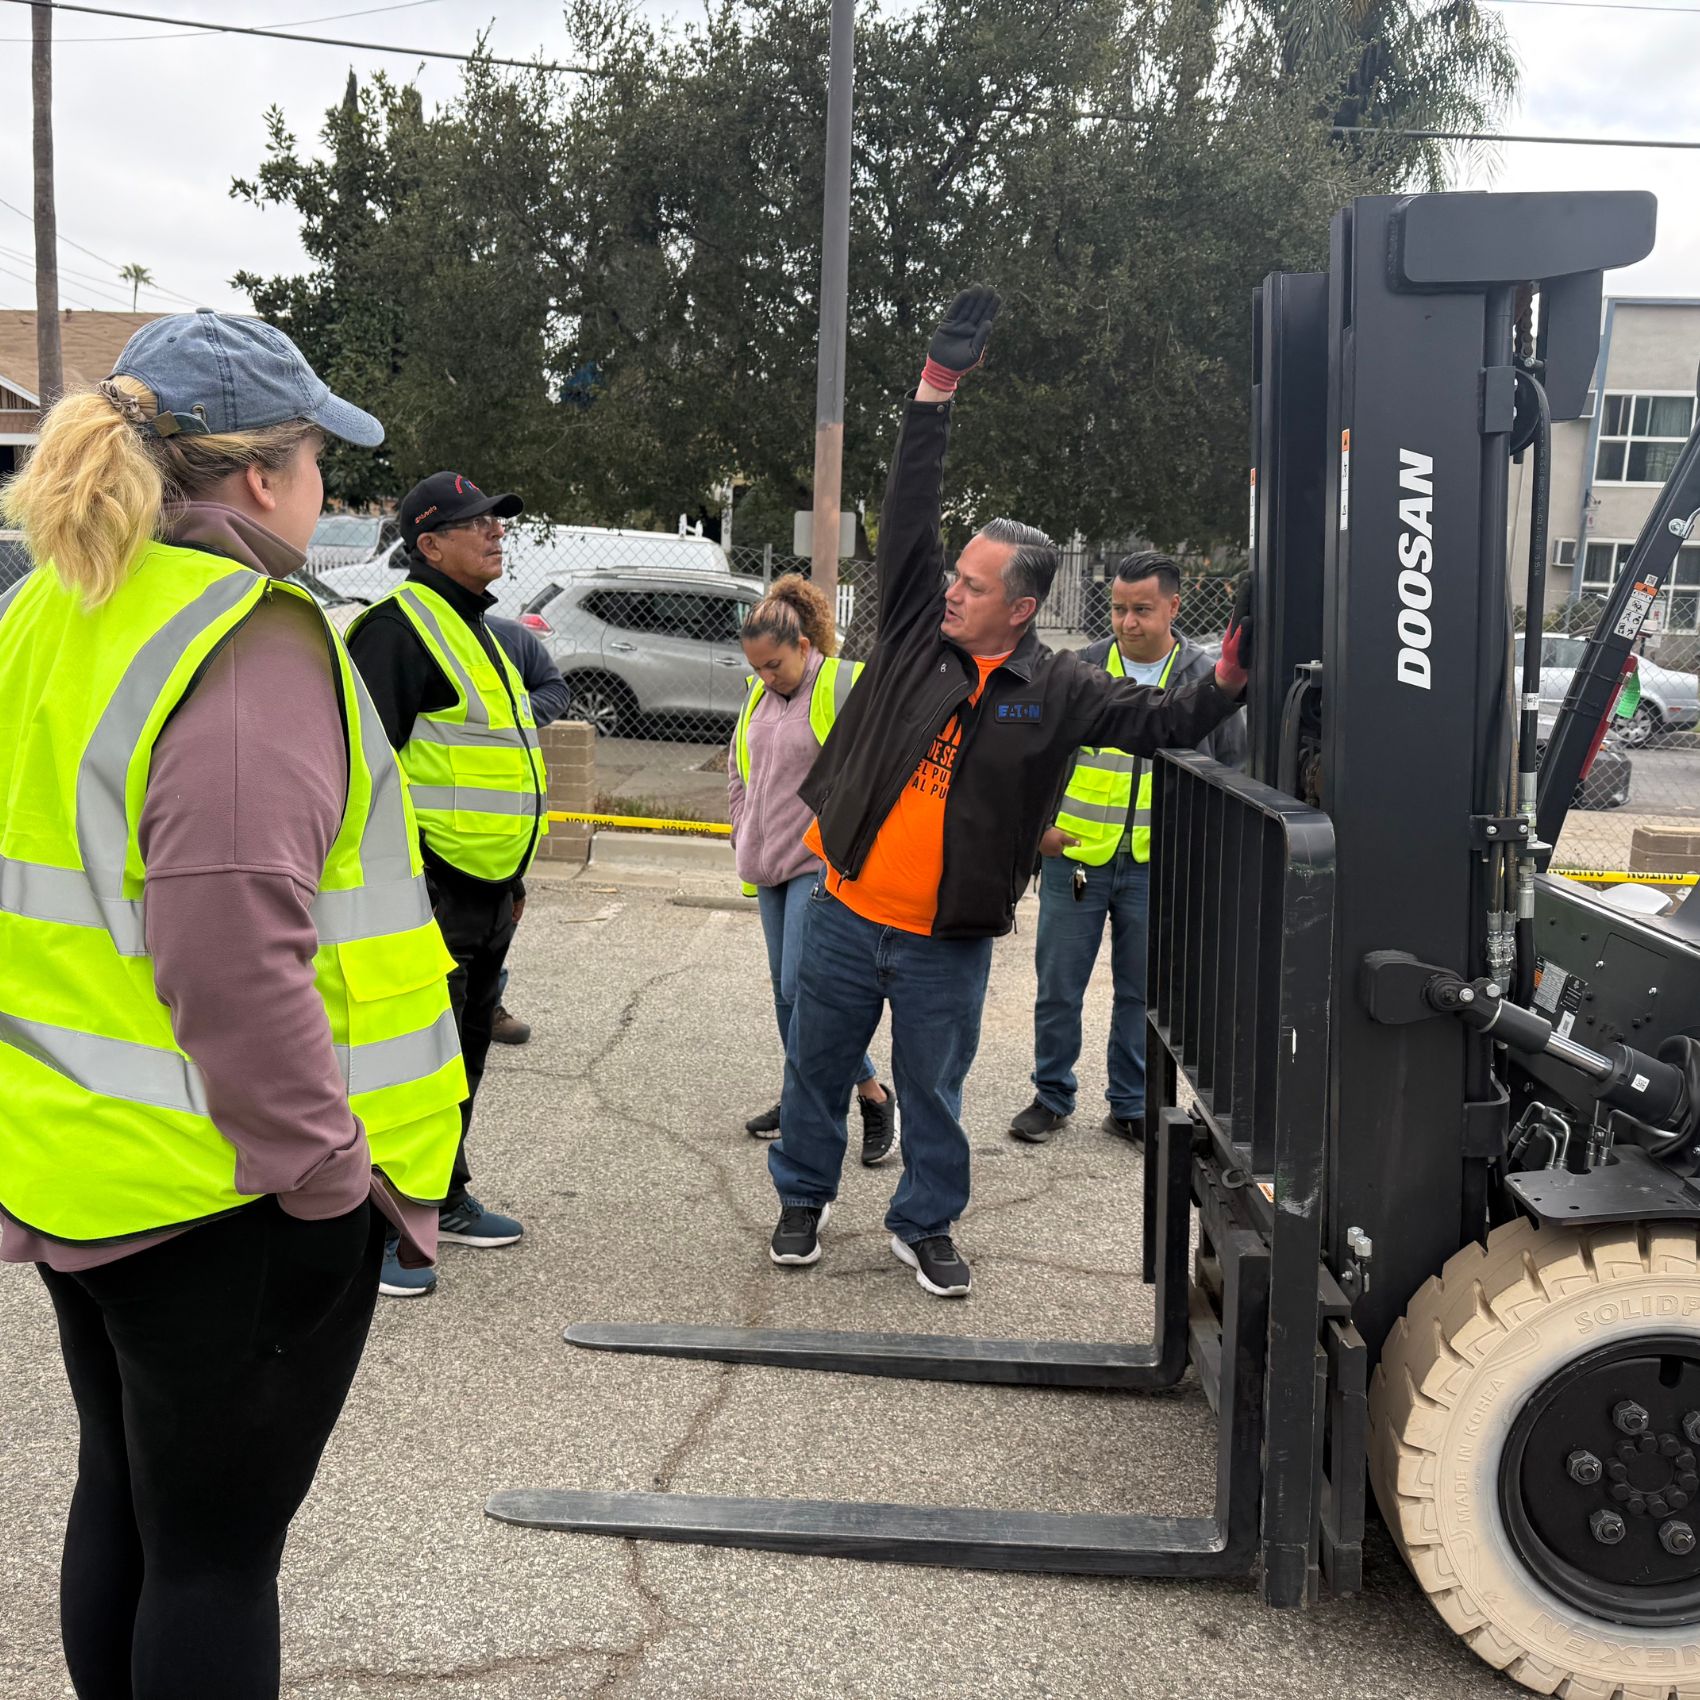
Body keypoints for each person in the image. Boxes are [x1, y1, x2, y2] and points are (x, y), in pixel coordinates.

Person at [0, 311, 465, 1699]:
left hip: (84, 1159)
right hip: (232, 1191)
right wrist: (325, 1175)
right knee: (212, 1558)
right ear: (263, 477)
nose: (330, 486)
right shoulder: (249, 642)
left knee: (133, 1506)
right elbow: (231, 951)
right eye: (321, 455)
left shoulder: (48, 607)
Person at [766, 287, 1251, 1298]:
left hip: (946, 938)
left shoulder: (1060, 685)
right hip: (847, 911)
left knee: (936, 1093)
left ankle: (923, 1221)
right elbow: (906, 512)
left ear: (1020, 605)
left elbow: (1167, 721)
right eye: (956, 576)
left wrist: (1238, 667)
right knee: (814, 1069)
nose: (953, 589)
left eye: (975, 584)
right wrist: (933, 392)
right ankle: (801, 1198)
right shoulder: (910, 631)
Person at [346, 471, 548, 1297]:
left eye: (498, 521)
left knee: (461, 1057)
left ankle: (444, 1195)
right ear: (428, 545)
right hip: (427, 892)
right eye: (476, 524)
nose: (496, 533)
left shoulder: (483, 631)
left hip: (490, 891)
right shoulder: (396, 632)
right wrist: (403, 884)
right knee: (407, 1067)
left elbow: (500, 768)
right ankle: (389, 1231)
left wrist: (517, 878)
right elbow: (358, 774)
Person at [1010, 550, 1246, 1147]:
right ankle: (1051, 1095)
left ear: (1175, 604)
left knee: (1141, 994)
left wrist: (1201, 852)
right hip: (1076, 859)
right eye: (1118, 608)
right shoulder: (1080, 670)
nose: (1127, 621)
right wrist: (1038, 830)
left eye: (1142, 609)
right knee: (1059, 985)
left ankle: (1131, 1104)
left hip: (1157, 867)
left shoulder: (1204, 680)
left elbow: (1230, 772)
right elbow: (1031, 759)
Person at [727, 573, 896, 1160]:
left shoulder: (844, 683)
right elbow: (737, 767)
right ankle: (848, 1090)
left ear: (805, 646)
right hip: (766, 861)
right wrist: (740, 828)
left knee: (805, 984)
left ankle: (864, 1095)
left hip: (817, 863)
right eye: (756, 668)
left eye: (773, 665)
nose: (765, 678)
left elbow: (879, 770)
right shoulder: (759, 693)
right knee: (786, 992)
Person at [485, 613, 572, 1047]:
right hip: (424, 821)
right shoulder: (405, 629)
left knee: (497, 915)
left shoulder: (508, 637)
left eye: (498, 537)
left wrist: (510, 717)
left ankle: (485, 1004)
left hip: (500, 819)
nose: (494, 542)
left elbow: (555, 689)